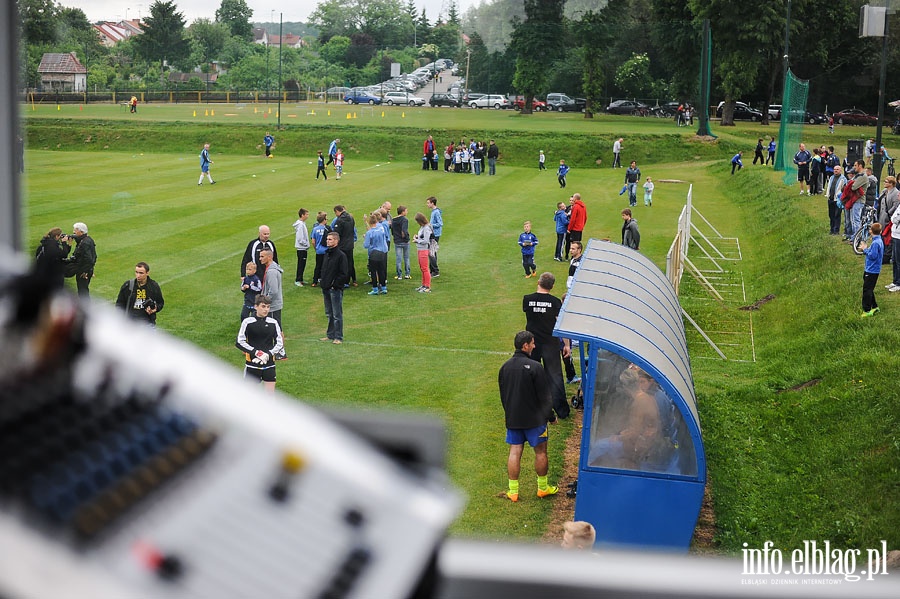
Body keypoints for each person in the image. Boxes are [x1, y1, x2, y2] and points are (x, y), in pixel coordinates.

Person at [498, 330, 559, 503]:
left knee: (515, 451)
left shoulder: (504, 367)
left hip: (514, 419)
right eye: (532, 343)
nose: (534, 345)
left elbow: (504, 395)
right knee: (540, 452)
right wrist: (551, 417)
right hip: (535, 420)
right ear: (525, 345)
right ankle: (542, 488)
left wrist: (510, 414)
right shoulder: (536, 367)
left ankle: (513, 492)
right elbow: (545, 396)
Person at [523, 272, 570, 421]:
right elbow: (561, 325)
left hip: (532, 344)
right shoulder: (555, 302)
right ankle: (561, 410)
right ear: (552, 286)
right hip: (550, 344)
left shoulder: (527, 300)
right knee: (555, 377)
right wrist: (567, 344)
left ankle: (531, 407)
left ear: (538, 282)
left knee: (531, 376)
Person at [236, 295, 283, 392]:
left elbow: (279, 343)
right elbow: (240, 341)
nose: (266, 309)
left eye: (268, 307)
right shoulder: (247, 322)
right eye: (263, 306)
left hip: (269, 365)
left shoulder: (273, 323)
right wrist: (256, 353)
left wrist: (268, 354)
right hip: (252, 365)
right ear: (256, 306)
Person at [320, 231, 349, 343]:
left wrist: (334, 285)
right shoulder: (327, 254)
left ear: (336, 241)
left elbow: (343, 273)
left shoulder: (341, 256)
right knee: (329, 313)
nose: (327, 241)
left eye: (330, 239)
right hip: (326, 288)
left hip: (335, 289)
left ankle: (338, 337)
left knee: (337, 314)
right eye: (327, 239)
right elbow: (324, 270)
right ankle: (330, 334)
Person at [115, 261, 164, 327]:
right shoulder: (128, 286)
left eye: (141, 273)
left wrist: (154, 309)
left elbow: (160, 303)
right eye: (136, 272)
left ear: (147, 273)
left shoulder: (153, 286)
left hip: (147, 324)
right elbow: (119, 304)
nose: (138, 275)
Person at [259, 249, 286, 359]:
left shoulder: (271, 271)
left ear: (269, 257)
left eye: (262, 256)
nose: (260, 258)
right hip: (273, 305)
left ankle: (281, 352)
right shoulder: (272, 268)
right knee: (275, 328)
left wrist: (265, 302)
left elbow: (273, 291)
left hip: (273, 306)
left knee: (277, 328)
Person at [62, 222, 96, 297]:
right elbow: (94, 256)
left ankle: (86, 307)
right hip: (86, 269)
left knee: (83, 292)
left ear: (81, 232)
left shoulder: (84, 243)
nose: (73, 232)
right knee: (82, 290)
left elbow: (89, 259)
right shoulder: (87, 239)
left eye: (75, 230)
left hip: (83, 271)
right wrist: (69, 236)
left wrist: (85, 271)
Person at [859, 222, 883, 318]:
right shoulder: (878, 240)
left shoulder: (876, 243)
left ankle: (867, 309)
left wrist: (865, 249)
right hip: (872, 269)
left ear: (870, 231)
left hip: (872, 270)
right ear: (880, 231)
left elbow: (873, 256)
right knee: (869, 288)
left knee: (867, 290)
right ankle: (874, 306)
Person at [363, 213, 389, 295]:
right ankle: (384, 288)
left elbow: (366, 245)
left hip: (374, 253)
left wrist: (365, 238)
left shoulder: (369, 233)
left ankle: (375, 289)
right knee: (381, 270)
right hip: (382, 252)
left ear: (370, 223)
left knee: (373, 272)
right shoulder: (381, 228)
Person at [333, 205, 357, 285]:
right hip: (350, 244)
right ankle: (350, 280)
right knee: (350, 262)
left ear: (337, 211)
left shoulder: (340, 220)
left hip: (342, 245)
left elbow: (336, 234)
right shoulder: (351, 218)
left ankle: (344, 281)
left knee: (342, 264)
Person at [412, 212, 433, 293]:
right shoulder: (423, 227)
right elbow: (422, 237)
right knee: (422, 268)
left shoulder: (427, 228)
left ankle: (427, 286)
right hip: (420, 249)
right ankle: (424, 285)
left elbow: (426, 240)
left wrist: (416, 240)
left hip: (424, 250)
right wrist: (417, 237)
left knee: (425, 269)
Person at [310, 211, 330, 287]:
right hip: (326, 250)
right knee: (326, 266)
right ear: (324, 220)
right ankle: (324, 280)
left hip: (319, 251)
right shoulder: (327, 229)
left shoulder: (315, 229)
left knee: (318, 266)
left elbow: (313, 241)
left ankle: (314, 281)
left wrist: (316, 248)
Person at [827, 165, 847, 236]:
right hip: (830, 198)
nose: (835, 171)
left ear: (840, 170)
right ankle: (831, 229)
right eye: (834, 169)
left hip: (838, 200)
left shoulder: (843, 179)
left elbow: (844, 190)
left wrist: (841, 198)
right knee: (831, 215)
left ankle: (836, 230)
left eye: (837, 169)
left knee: (837, 215)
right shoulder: (831, 177)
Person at [392, 205, 411, 279]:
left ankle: (399, 275)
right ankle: (407, 274)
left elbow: (392, 231)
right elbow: (404, 231)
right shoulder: (404, 220)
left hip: (397, 241)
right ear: (402, 212)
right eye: (406, 210)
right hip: (404, 241)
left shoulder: (394, 220)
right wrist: (407, 238)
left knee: (398, 259)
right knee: (406, 258)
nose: (407, 212)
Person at [292, 208, 310, 287]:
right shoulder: (300, 225)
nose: (307, 216)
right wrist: (305, 244)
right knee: (301, 264)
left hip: (303, 248)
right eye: (306, 214)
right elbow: (300, 238)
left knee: (302, 264)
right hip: (301, 248)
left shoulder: (302, 224)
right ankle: (298, 279)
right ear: (302, 215)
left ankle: (300, 279)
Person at [427, 197, 442, 277]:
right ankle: (433, 270)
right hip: (433, 234)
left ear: (432, 203)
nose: (427, 204)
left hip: (435, 234)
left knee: (432, 252)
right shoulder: (434, 212)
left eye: (428, 203)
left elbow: (440, 223)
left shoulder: (436, 212)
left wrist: (431, 225)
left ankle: (435, 271)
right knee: (432, 252)